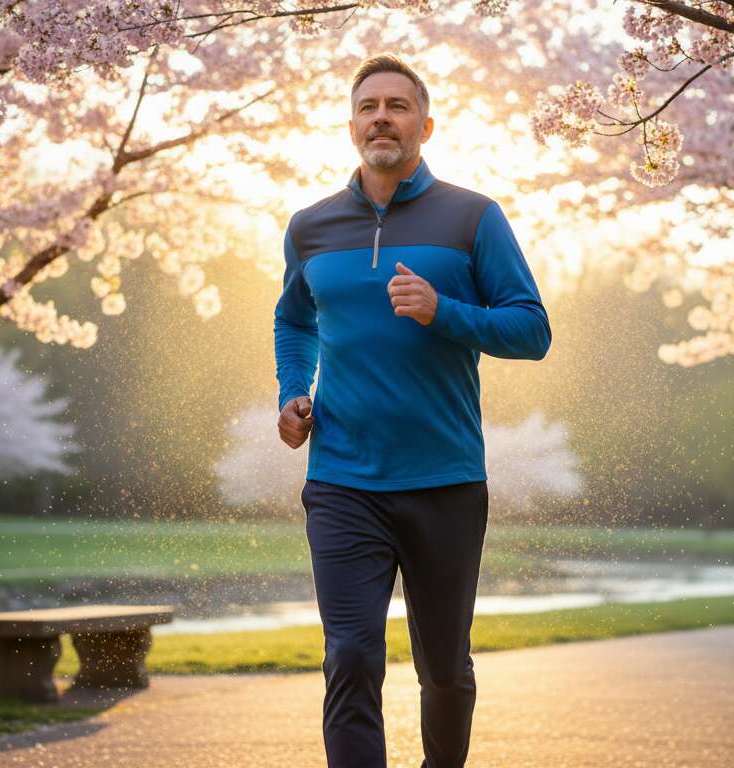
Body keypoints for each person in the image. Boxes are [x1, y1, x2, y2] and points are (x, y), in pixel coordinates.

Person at [272, 52, 551, 768]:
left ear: (425, 124)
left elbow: (532, 330)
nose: (382, 118)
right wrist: (292, 392)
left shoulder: (473, 217)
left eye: (397, 106)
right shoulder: (310, 228)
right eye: (368, 106)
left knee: (445, 670)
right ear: (351, 125)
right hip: (342, 481)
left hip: (444, 482)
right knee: (352, 656)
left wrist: (445, 312)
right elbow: (294, 321)